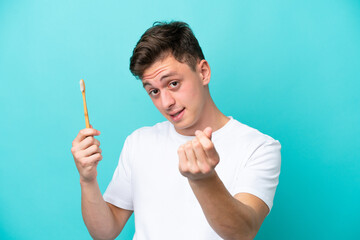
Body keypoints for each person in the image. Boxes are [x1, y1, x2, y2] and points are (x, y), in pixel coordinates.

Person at [71, 21, 281, 240]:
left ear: (203, 72)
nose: (166, 103)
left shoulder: (258, 147)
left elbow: (242, 232)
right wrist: (87, 180)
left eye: (173, 83)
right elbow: (104, 232)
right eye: (153, 91)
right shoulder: (139, 142)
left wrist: (204, 180)